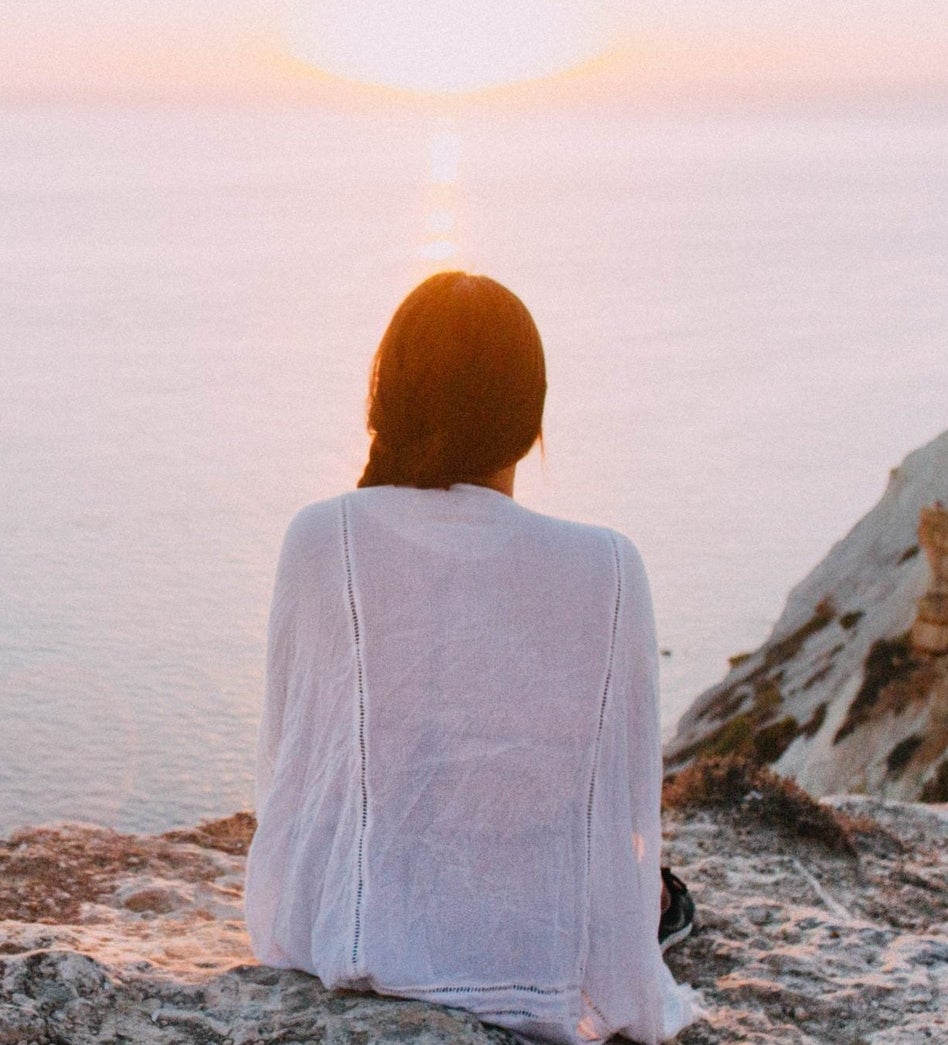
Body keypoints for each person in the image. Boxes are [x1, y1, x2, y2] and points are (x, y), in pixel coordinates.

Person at [244, 272, 700, 1043]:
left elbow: (291, 779)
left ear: (385, 399)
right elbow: (624, 796)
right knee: (648, 892)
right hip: (537, 941)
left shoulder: (321, 538)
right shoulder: (611, 566)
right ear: (528, 418)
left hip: (358, 932)